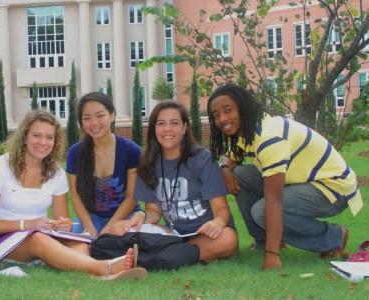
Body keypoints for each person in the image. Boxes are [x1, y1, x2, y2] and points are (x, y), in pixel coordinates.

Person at [207, 83, 364, 270]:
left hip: (334, 187)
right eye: (216, 115)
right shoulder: (248, 131)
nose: (222, 119)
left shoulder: (268, 137)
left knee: (262, 211)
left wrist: (272, 255)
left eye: (227, 110)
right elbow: (233, 156)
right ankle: (263, 239)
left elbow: (274, 200)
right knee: (240, 174)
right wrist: (225, 168)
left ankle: (333, 237)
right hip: (305, 182)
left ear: (242, 107)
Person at [0, 110, 146, 279]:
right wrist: (26, 224)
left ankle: (95, 276)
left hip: (40, 234)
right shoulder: (0, 167)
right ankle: (104, 267)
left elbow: (63, 222)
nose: (43, 142)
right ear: (24, 137)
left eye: (49, 137)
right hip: (3, 240)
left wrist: (63, 225)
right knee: (39, 240)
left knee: (79, 241)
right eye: (36, 135)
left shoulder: (56, 173)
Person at [121, 100, 238, 262]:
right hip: (173, 235)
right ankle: (174, 256)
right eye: (161, 123)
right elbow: (154, 211)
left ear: (184, 128)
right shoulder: (148, 162)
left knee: (228, 239)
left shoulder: (202, 159)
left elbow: (221, 209)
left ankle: (161, 257)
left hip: (206, 235)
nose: (167, 129)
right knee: (118, 228)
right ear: (154, 129)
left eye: (174, 123)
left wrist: (218, 222)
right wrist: (141, 216)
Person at [66, 92, 141, 236]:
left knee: (129, 241)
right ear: (81, 122)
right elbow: (76, 197)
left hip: (124, 216)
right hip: (91, 218)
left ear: (112, 115)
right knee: (76, 243)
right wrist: (90, 229)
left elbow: (131, 198)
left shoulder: (131, 151)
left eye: (100, 115)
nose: (94, 123)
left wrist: (108, 230)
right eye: (86, 118)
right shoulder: (75, 153)